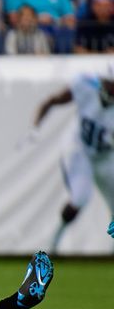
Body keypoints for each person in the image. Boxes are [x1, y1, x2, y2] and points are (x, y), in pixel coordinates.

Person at [33, 66, 114, 253]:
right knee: (79, 197)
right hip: (80, 149)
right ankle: (53, 242)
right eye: (109, 84)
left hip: (106, 155)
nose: (110, 89)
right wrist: (36, 127)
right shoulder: (85, 86)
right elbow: (51, 101)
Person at [4, 0, 75, 29]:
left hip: (57, 32)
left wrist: (55, 21)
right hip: (29, 33)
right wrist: (37, 19)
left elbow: (70, 19)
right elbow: (13, 19)